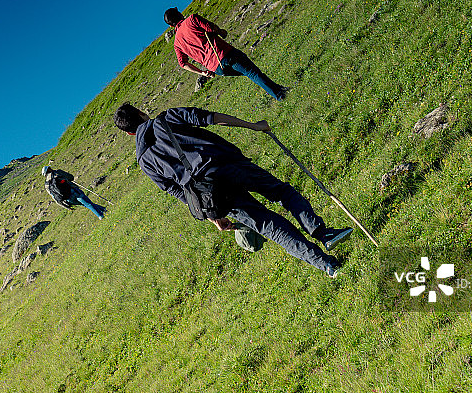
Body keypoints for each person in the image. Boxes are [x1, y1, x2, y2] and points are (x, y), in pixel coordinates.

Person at [113, 104, 353, 278]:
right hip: (228, 165)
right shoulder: (167, 118)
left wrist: (211, 215)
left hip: (209, 194)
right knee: (282, 192)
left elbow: (176, 191)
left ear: (129, 133)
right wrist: (253, 126)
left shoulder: (144, 160)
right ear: (141, 113)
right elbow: (211, 118)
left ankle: (327, 265)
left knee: (269, 225)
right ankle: (323, 234)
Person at [164, 7, 289, 101]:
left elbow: (183, 64)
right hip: (224, 54)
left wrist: (202, 72)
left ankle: (279, 90)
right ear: (179, 14)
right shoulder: (192, 19)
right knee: (252, 72)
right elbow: (211, 28)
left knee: (250, 73)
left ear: (171, 25)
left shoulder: (177, 43)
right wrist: (221, 32)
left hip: (217, 68)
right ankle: (280, 95)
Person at [41, 166, 106, 220]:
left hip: (67, 199)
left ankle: (104, 210)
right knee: (88, 204)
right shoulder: (57, 172)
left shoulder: (47, 185)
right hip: (73, 191)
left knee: (86, 204)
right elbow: (71, 177)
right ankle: (101, 216)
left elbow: (54, 197)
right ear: (49, 169)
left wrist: (65, 206)